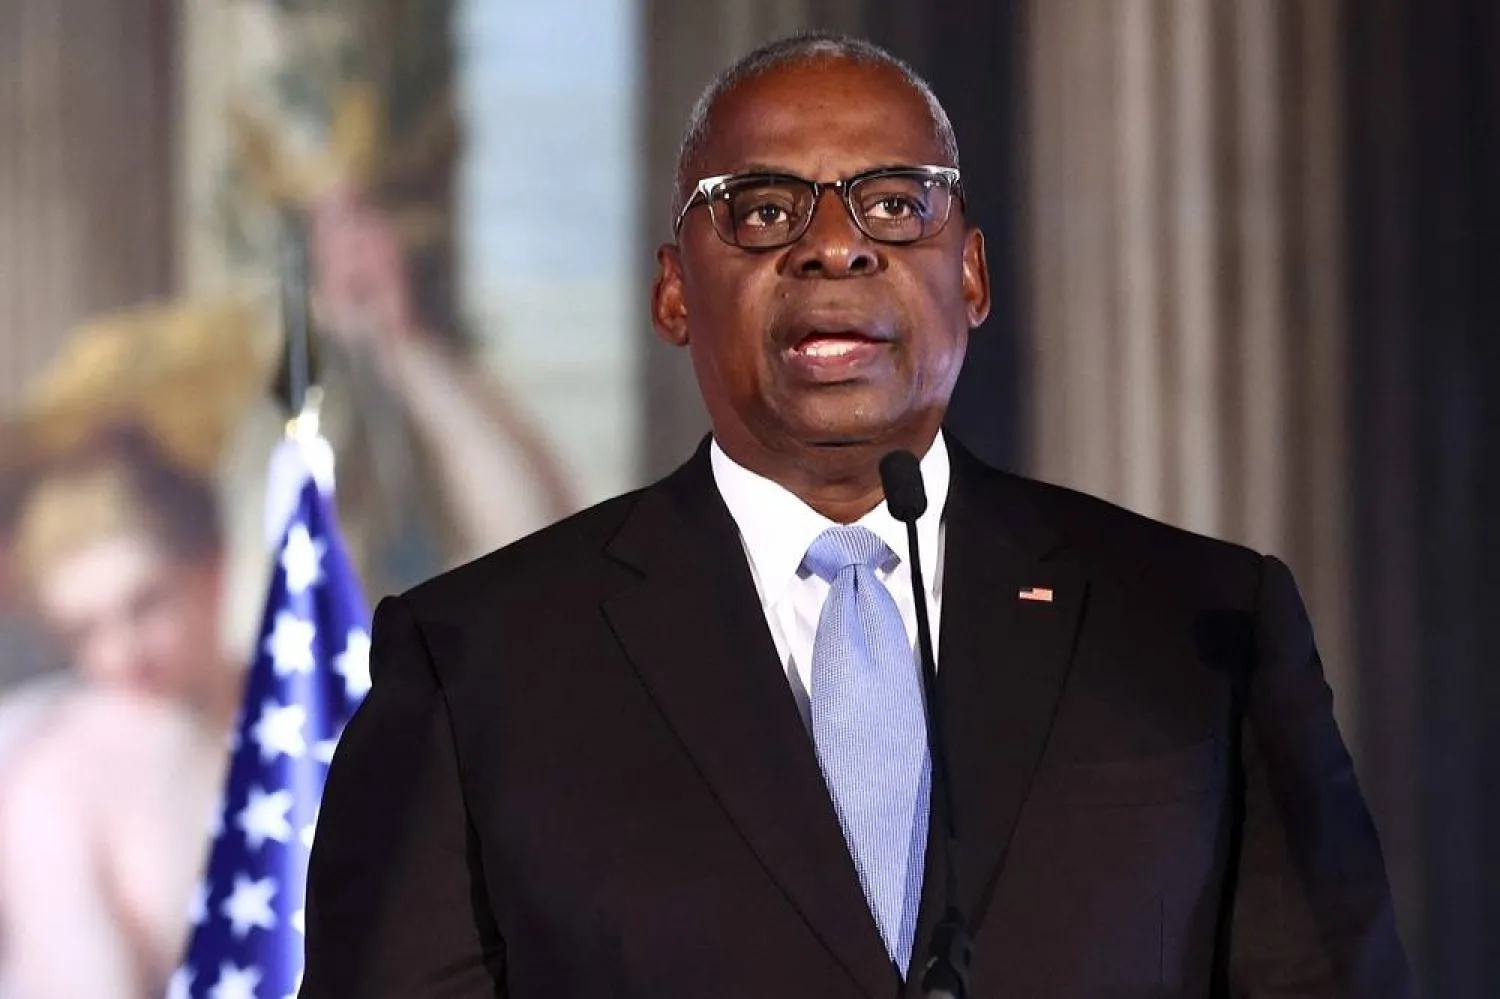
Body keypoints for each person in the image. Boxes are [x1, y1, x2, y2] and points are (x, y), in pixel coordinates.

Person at [303, 33, 1409, 997]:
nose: (835, 244)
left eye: (894, 202)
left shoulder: (1201, 625)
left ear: (969, 276)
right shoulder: (473, 664)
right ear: (674, 292)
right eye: (765, 209)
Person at [0, 424, 235, 998]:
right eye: (85, 631)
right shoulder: (53, 780)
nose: (120, 654)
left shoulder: (303, 700)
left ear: (212, 573)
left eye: (146, 603)